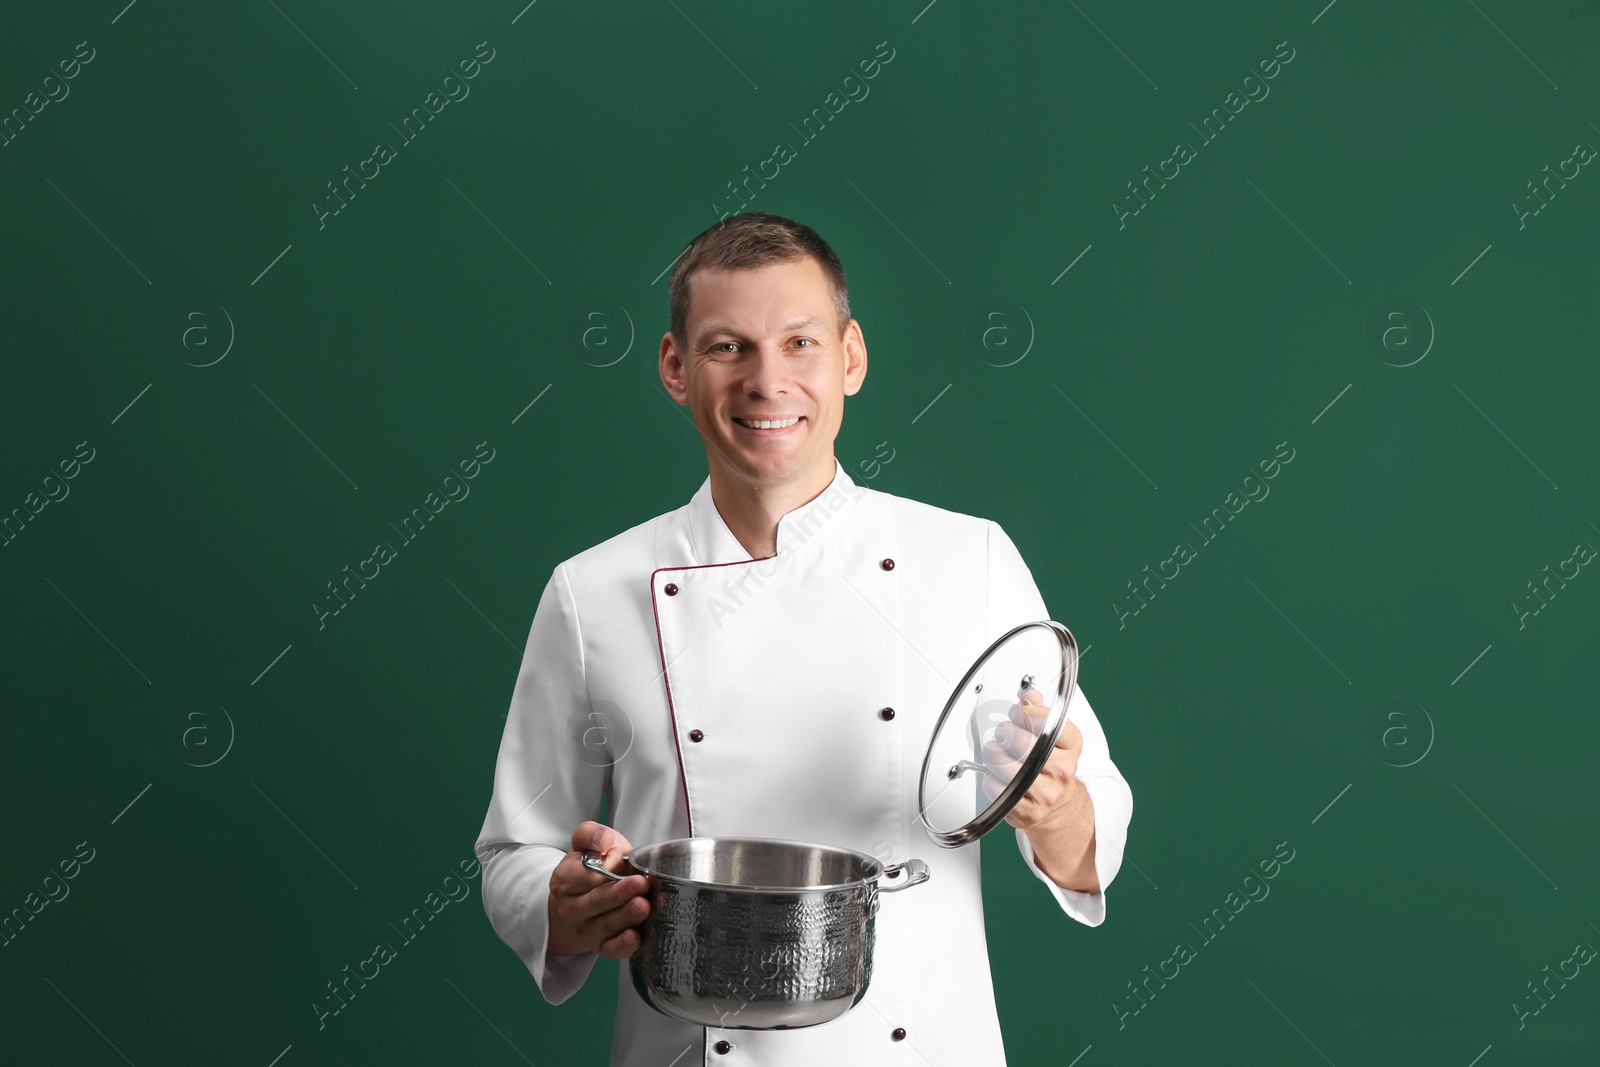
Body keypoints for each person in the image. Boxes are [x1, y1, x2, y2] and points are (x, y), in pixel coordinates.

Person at [473, 211, 1133, 1065]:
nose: (766, 380)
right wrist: (565, 903)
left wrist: (1053, 804)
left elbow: (1096, 835)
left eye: (799, 344)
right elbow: (511, 852)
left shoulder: (964, 558)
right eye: (726, 347)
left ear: (850, 358)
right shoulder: (592, 591)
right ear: (675, 368)